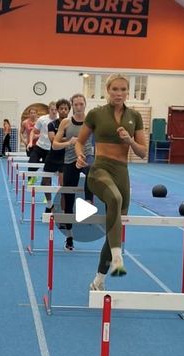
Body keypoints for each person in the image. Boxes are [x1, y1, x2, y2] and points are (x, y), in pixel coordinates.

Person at [75, 74, 146, 290]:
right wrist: (80, 156)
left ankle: (99, 279)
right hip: (99, 170)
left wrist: (130, 140)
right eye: (115, 89)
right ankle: (118, 256)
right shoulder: (96, 114)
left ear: (128, 92)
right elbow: (80, 142)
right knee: (114, 197)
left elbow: (142, 153)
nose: (119, 93)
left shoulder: (135, 116)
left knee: (114, 226)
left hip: (121, 172)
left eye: (123, 89)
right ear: (108, 90)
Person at [53, 93, 94, 251]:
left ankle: (89, 202)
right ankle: (69, 237)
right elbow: (55, 144)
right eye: (75, 104)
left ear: (85, 105)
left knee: (92, 169)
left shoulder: (92, 122)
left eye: (81, 104)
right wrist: (68, 142)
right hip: (69, 161)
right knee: (68, 199)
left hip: (86, 157)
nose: (78, 107)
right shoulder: (65, 122)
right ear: (72, 106)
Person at [42, 98, 71, 213]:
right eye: (61, 108)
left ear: (69, 110)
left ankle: (63, 213)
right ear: (58, 110)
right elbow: (53, 140)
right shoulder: (52, 124)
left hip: (66, 157)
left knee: (63, 186)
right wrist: (68, 139)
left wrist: (60, 139)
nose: (63, 111)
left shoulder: (72, 124)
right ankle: (49, 205)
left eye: (66, 109)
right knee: (45, 181)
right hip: (53, 156)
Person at [27, 102, 57, 185]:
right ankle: (31, 179)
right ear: (49, 110)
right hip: (39, 147)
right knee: (31, 163)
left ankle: (47, 196)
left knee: (47, 172)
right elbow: (33, 131)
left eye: (55, 110)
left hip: (50, 150)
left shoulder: (59, 121)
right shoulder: (42, 119)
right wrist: (30, 142)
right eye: (52, 110)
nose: (54, 111)